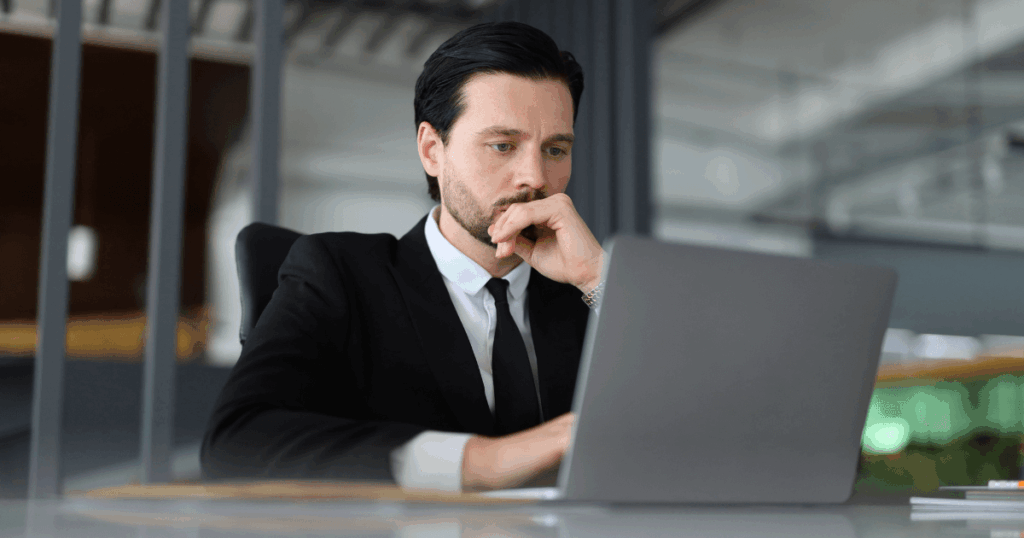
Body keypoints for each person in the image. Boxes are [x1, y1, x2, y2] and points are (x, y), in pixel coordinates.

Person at [200, 21, 606, 492]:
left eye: (555, 149)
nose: (534, 177)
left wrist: (597, 278)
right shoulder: (340, 273)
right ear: (433, 150)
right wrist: (484, 461)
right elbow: (235, 443)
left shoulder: (588, 291)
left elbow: (695, 422)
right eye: (502, 145)